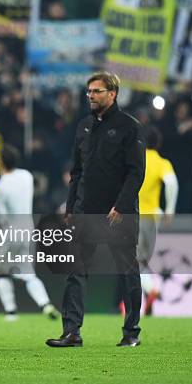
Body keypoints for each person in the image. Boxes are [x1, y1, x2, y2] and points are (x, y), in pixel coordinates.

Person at [46, 71, 145, 348]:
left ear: (113, 94)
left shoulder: (130, 127)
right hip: (84, 211)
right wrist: (70, 206)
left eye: (97, 91)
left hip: (118, 214)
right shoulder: (84, 126)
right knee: (75, 270)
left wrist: (121, 206)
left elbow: (136, 173)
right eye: (89, 91)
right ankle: (72, 332)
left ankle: (131, 332)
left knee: (126, 272)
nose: (90, 95)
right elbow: (77, 172)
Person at [0, 144, 58, 321]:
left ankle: (11, 312)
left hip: (9, 233)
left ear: (1, 163)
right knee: (28, 273)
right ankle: (45, 304)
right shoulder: (26, 176)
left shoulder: (1, 187)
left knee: (1, 272)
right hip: (28, 230)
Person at [137, 126, 178, 315]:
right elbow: (171, 183)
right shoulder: (162, 162)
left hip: (135, 216)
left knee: (135, 262)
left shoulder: (135, 160)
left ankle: (150, 289)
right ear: (158, 143)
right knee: (142, 260)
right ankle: (148, 294)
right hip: (154, 217)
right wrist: (169, 209)